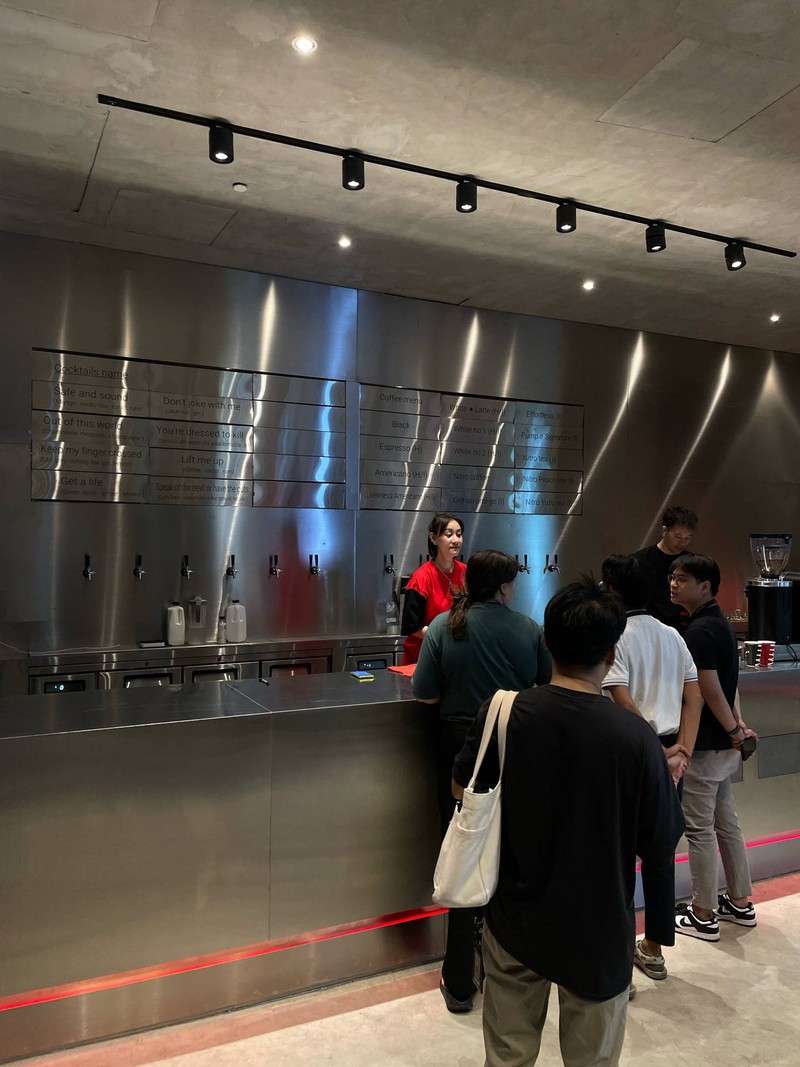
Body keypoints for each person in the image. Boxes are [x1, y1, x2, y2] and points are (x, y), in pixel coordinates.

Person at [453, 576, 683, 1067]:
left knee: (508, 1056)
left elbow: (462, 789)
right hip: (599, 927)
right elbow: (660, 841)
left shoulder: (504, 712)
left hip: (514, 918)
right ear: (612, 653)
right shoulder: (636, 738)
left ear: (548, 642)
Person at [412, 549, 551, 1013]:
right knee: (508, 851)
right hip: (514, 742)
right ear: (505, 587)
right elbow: (544, 685)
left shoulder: (443, 627)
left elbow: (424, 692)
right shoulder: (528, 629)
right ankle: (504, 971)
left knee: (463, 851)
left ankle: (458, 980)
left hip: (459, 748)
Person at [601, 554, 702, 983]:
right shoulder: (672, 635)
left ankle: (618, 953)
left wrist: (656, 751)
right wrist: (683, 752)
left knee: (619, 856)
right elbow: (693, 697)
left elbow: (621, 699)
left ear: (611, 591)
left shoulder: (613, 636)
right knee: (660, 854)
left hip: (630, 752)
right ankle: (655, 949)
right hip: (671, 755)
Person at [668, 554, 759, 940]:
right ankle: (739, 901)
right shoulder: (718, 621)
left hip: (705, 744)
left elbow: (708, 688)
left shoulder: (700, 631)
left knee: (700, 829)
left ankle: (703, 913)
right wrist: (736, 727)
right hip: (722, 743)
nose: (674, 584)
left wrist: (732, 729)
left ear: (704, 586)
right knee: (726, 823)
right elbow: (729, 684)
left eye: (682, 579)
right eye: (672, 577)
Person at [400, 512, 466, 665]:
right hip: (423, 658)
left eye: (459, 534)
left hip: (455, 656)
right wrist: (444, 638)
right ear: (433, 538)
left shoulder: (466, 573)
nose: (456, 540)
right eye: (449, 535)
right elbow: (412, 626)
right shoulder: (421, 578)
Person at [633, 505, 698, 631]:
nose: (683, 542)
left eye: (688, 538)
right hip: (650, 629)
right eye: (678, 537)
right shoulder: (640, 560)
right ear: (664, 531)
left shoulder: (692, 562)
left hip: (684, 629)